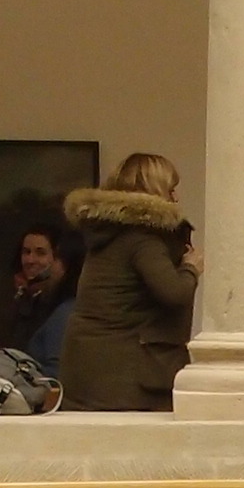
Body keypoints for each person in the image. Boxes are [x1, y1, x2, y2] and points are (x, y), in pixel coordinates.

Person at [59, 153, 198, 412]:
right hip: (127, 379)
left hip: (90, 373)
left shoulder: (108, 235)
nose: (176, 198)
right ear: (154, 190)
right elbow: (173, 293)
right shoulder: (142, 239)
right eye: (171, 189)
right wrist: (191, 267)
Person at [8, 224, 78, 373]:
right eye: (26, 252)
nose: (30, 260)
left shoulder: (65, 311)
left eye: (40, 253)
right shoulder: (26, 300)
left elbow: (56, 372)